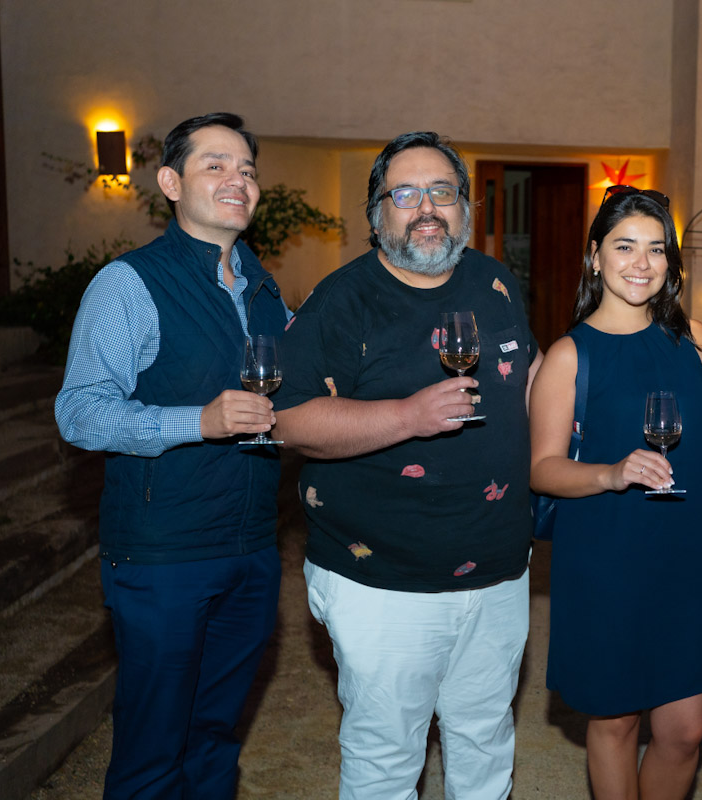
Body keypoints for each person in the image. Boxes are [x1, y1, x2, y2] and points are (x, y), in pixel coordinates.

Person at [271, 131, 542, 800]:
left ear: (465, 208)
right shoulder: (342, 301)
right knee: (387, 762)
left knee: (484, 745)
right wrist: (406, 417)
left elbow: (531, 377)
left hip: (499, 573)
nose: (427, 208)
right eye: (405, 194)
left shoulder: (495, 281)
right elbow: (287, 421)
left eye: (442, 192)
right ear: (376, 215)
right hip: (382, 582)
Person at [55, 112, 287, 798]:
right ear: (170, 183)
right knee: (153, 750)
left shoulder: (263, 289)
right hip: (164, 555)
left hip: (251, 547)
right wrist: (199, 421)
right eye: (215, 164)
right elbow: (80, 412)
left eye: (247, 169)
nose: (237, 179)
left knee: (215, 740)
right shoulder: (129, 283)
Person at [530, 187, 702, 799]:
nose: (642, 263)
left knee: (685, 731)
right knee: (615, 720)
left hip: (686, 553)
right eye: (625, 247)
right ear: (595, 256)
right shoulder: (570, 354)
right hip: (606, 557)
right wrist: (611, 473)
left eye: (656, 249)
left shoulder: (693, 340)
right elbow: (542, 469)